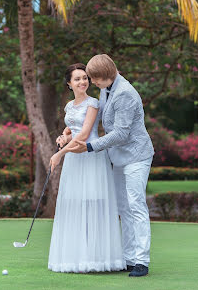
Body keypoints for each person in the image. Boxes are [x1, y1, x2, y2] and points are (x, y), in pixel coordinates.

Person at [66, 54, 155, 277]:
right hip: (118, 157)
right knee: (123, 207)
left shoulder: (125, 93)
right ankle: (129, 258)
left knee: (136, 206)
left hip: (136, 155)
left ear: (106, 75)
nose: (92, 83)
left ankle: (142, 261)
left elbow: (121, 134)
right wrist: (70, 131)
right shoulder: (107, 88)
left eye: (94, 79)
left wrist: (90, 147)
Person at [47, 63, 125, 273]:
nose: (82, 82)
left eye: (85, 78)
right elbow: (72, 128)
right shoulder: (69, 106)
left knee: (92, 203)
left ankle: (95, 257)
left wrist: (60, 153)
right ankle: (76, 257)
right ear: (69, 84)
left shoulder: (93, 103)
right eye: (77, 79)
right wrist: (64, 136)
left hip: (90, 155)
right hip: (74, 159)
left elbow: (84, 133)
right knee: (74, 202)